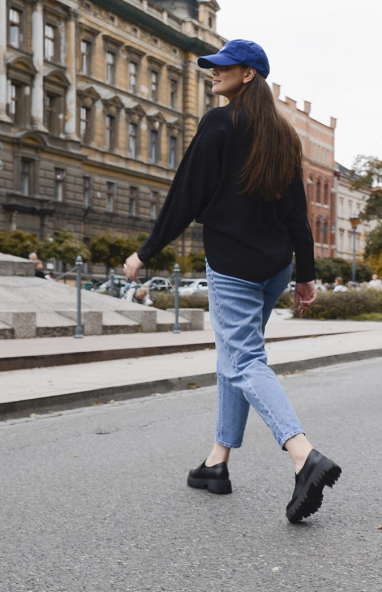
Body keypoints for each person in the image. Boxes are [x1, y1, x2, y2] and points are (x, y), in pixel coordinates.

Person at [123, 39, 341, 522]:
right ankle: (216, 463)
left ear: (248, 75)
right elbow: (297, 216)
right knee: (233, 357)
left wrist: (146, 251)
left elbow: (187, 193)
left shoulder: (219, 123)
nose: (212, 72)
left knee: (243, 358)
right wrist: (305, 275)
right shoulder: (284, 136)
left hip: (234, 267)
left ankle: (304, 454)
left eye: (223, 67)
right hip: (273, 268)